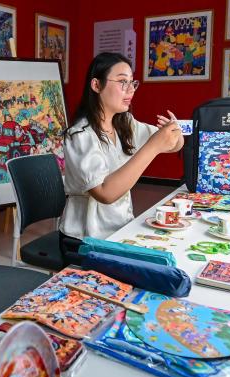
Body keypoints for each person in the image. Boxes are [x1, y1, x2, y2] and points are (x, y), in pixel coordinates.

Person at [58, 52, 183, 260]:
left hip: (121, 229)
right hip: (85, 240)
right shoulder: (79, 135)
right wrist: (153, 146)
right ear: (96, 85)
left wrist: (174, 133)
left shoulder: (125, 123)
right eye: (122, 82)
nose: (130, 90)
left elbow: (173, 145)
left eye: (132, 83)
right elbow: (105, 193)